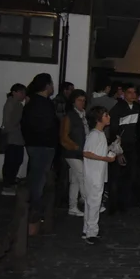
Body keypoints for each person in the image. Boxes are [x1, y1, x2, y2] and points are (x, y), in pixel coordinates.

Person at [21, 73, 57, 220]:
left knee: (36, 175)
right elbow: (48, 125)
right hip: (43, 144)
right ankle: (35, 208)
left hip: (34, 143)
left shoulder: (32, 102)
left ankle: (33, 205)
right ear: (47, 86)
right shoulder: (43, 103)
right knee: (39, 177)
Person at [108, 85, 140, 213]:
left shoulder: (139, 109)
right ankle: (113, 205)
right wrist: (118, 150)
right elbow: (113, 131)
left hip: (134, 145)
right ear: (124, 93)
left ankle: (124, 203)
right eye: (129, 92)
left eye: (134, 92)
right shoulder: (118, 108)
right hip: (121, 145)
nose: (132, 95)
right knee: (116, 176)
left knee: (130, 175)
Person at [82, 106, 115, 245]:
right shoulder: (94, 135)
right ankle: (91, 232)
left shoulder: (100, 134)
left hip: (97, 173)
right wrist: (105, 158)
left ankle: (87, 229)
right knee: (94, 203)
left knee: (91, 202)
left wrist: (111, 148)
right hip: (94, 174)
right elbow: (86, 153)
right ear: (98, 119)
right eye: (106, 115)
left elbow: (97, 151)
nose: (109, 117)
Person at [60, 89, 89, 217]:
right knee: (82, 176)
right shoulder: (70, 116)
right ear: (73, 101)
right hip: (72, 151)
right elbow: (64, 136)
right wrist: (76, 147)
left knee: (75, 180)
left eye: (83, 100)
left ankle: (72, 207)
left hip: (80, 151)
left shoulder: (83, 116)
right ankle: (89, 202)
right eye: (79, 100)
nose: (82, 103)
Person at [0, 83, 27, 196]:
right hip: (12, 138)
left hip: (17, 138)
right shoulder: (11, 104)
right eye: (21, 92)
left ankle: (10, 183)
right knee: (11, 162)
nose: (23, 95)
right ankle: (7, 186)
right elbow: (8, 122)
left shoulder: (17, 104)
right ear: (14, 92)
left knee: (16, 161)